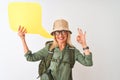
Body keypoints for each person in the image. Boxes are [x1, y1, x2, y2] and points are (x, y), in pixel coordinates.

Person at [18, 19, 93, 80]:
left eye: (63, 32)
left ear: (67, 34)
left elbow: (88, 63)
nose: (60, 35)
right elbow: (30, 57)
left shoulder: (72, 51)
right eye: (57, 32)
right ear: (54, 35)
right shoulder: (49, 48)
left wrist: (83, 44)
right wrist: (22, 39)